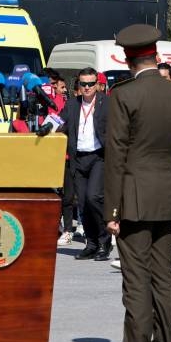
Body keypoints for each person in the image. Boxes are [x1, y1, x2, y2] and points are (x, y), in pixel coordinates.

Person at [95, 24, 171, 342]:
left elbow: (116, 155)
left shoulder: (123, 95)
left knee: (136, 277)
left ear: (127, 58)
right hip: (168, 192)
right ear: (156, 55)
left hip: (134, 195)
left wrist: (112, 210)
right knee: (163, 275)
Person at [58, 68, 112, 261]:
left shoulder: (107, 103)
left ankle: (104, 240)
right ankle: (91, 244)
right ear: (79, 85)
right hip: (78, 158)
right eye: (83, 84)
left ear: (97, 84)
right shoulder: (72, 104)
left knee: (93, 197)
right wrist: (47, 127)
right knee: (82, 203)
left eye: (91, 84)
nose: (87, 87)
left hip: (98, 157)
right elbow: (59, 121)